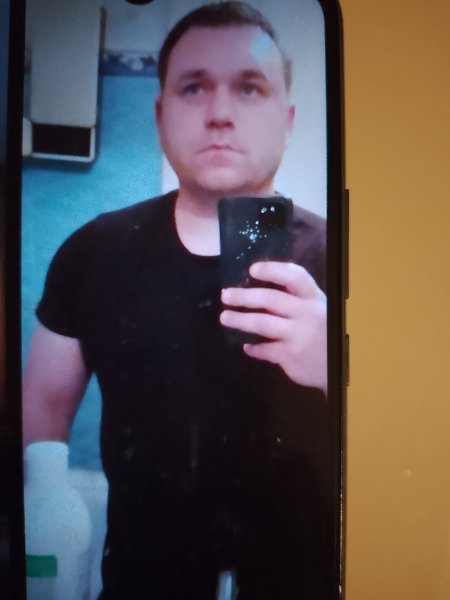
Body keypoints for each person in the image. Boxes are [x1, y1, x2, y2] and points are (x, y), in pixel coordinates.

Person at [23, 2, 334, 598]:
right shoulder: (93, 249)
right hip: (141, 581)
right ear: (160, 114)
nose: (219, 113)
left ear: (287, 118)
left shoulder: (346, 260)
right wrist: (46, 495)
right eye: (194, 87)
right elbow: (43, 400)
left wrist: (337, 368)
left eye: (249, 88)